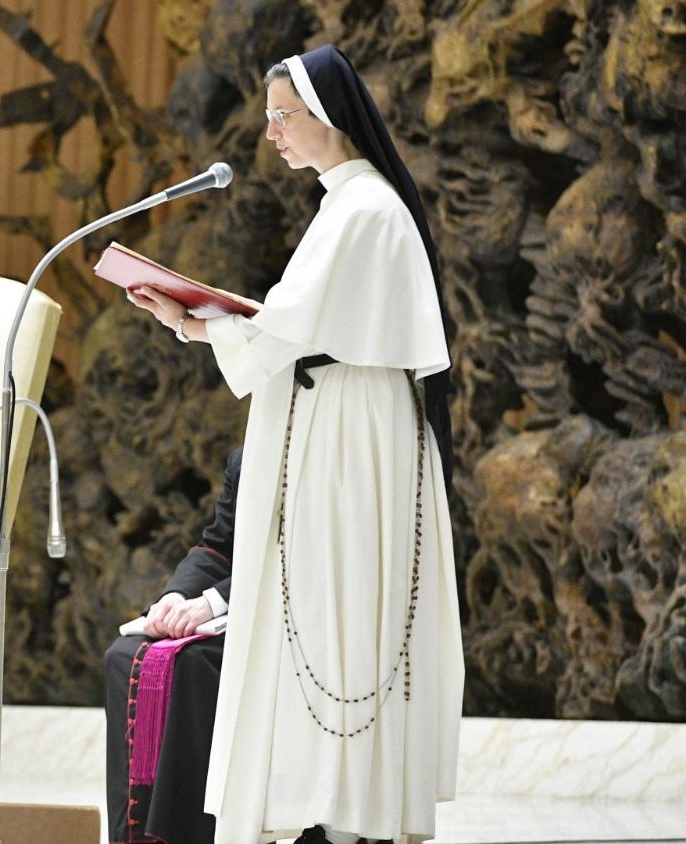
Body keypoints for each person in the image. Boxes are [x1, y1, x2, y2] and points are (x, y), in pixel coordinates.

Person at [127, 45, 463, 844]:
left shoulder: (364, 208)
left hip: (350, 441)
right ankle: (325, 801)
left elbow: (283, 331)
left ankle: (343, 807)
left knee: (338, 607)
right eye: (272, 116)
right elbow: (288, 330)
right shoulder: (341, 205)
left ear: (329, 118)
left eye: (284, 116)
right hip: (332, 424)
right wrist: (191, 320)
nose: (271, 131)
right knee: (318, 609)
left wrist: (193, 317)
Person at [105, 447, 241, 844]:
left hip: (296, 620)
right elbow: (217, 547)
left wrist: (214, 601)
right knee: (122, 656)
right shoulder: (245, 455)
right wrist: (177, 596)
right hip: (235, 603)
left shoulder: (328, 445)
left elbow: (306, 555)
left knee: (193, 663)